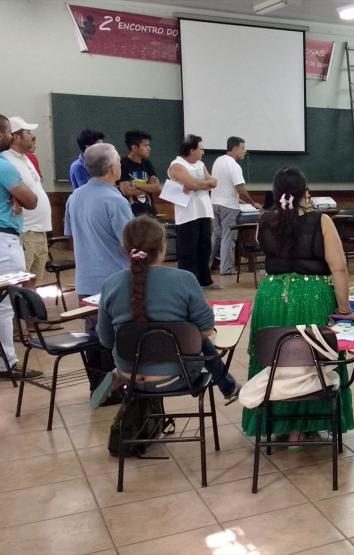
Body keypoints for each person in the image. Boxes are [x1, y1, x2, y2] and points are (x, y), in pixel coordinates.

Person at [240, 167, 354, 444]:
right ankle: (307, 423)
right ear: (306, 192)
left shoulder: (264, 220)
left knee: (274, 358)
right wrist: (344, 307)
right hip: (312, 296)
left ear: (276, 194)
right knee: (314, 360)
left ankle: (276, 421)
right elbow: (338, 268)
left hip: (271, 297)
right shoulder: (321, 221)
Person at [94, 217, 240, 406]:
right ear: (163, 247)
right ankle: (228, 386)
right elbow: (206, 330)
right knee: (196, 337)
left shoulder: (110, 285)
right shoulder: (184, 279)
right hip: (177, 377)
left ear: (125, 248)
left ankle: (117, 373)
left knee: (169, 336)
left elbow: (106, 340)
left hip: (129, 377)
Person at [64, 142, 134, 401]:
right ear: (113, 168)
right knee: (115, 336)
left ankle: (98, 388)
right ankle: (117, 388)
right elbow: (131, 243)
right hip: (114, 279)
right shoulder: (114, 199)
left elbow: (71, 237)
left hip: (86, 279)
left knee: (94, 334)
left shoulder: (75, 197)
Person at [0, 115, 38, 379]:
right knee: (5, 303)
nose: (10, 136)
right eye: (5, 132)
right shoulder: (4, 166)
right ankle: (7, 364)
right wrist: (18, 196)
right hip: (5, 239)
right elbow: (31, 200)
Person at [2, 117, 50, 290]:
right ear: (16, 137)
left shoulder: (26, 158)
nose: (32, 136)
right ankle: (20, 316)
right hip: (25, 230)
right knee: (19, 282)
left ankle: (30, 316)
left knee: (32, 281)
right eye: (28, 132)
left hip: (39, 230)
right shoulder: (6, 160)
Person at [167, 135, 219, 289]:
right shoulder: (177, 164)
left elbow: (213, 182)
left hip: (203, 211)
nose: (203, 152)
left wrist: (199, 184)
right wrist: (202, 184)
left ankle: (205, 280)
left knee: (204, 248)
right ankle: (188, 284)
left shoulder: (200, 164)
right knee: (188, 250)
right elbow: (191, 184)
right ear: (191, 150)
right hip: (188, 214)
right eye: (201, 149)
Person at [210, 136, 260, 276]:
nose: (245, 151)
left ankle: (206, 265)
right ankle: (226, 269)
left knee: (216, 236)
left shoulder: (218, 161)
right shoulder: (234, 165)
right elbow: (240, 189)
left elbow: (224, 186)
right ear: (235, 148)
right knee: (228, 236)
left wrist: (239, 200)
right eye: (243, 148)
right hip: (228, 207)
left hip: (214, 203)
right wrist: (252, 203)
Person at [117, 130, 162, 218]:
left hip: (149, 211)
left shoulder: (147, 163)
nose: (149, 148)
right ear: (134, 148)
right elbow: (126, 191)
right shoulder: (123, 164)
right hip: (131, 214)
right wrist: (148, 186)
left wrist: (135, 184)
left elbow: (157, 188)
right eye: (145, 145)